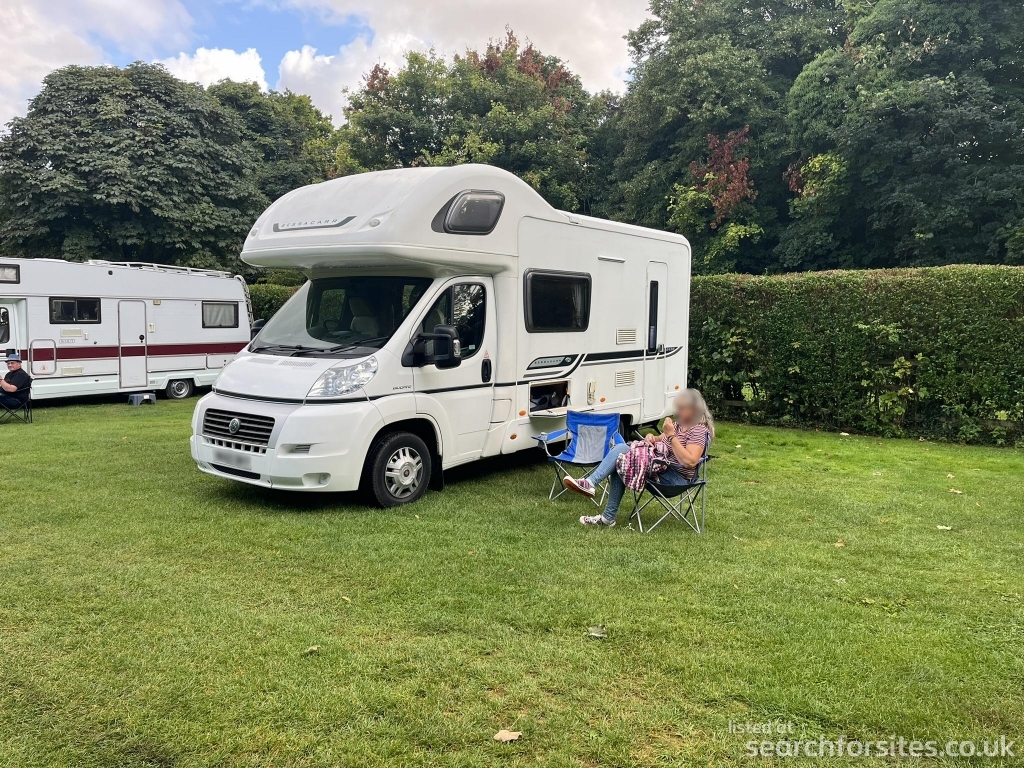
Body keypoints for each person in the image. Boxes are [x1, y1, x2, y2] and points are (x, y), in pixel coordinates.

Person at [563, 389, 715, 527]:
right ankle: (596, 496)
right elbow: (658, 439)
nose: (677, 412)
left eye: (682, 409)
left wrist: (671, 436)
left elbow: (690, 462)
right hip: (661, 468)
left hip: (675, 479)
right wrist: (650, 437)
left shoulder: (698, 430)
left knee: (623, 458)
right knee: (622, 458)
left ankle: (597, 496)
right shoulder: (678, 425)